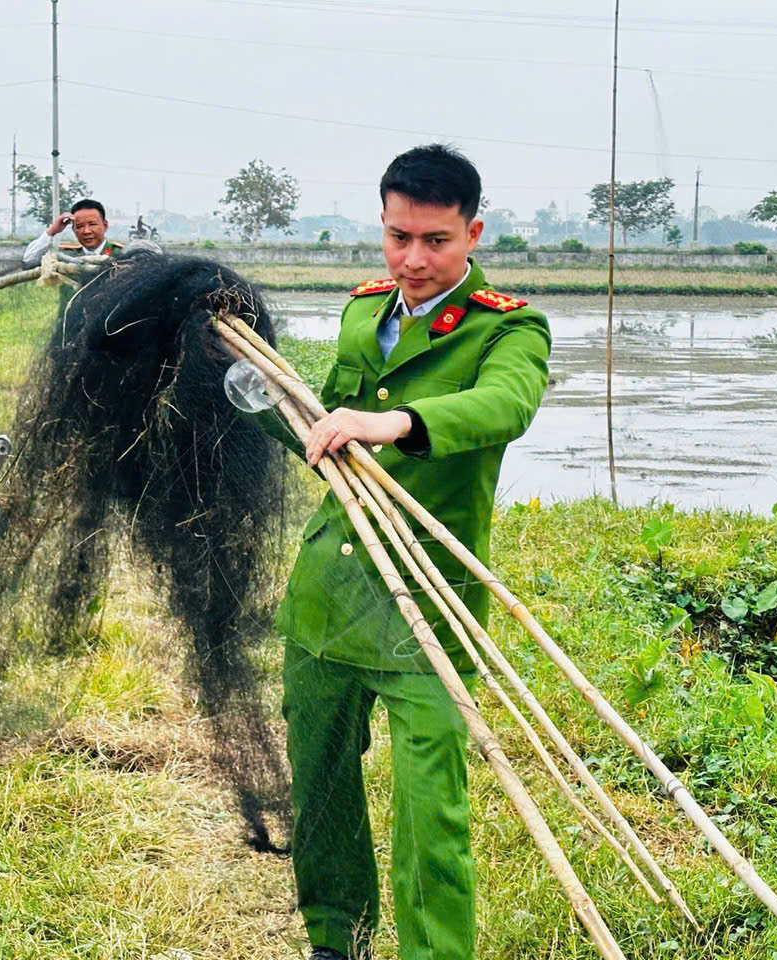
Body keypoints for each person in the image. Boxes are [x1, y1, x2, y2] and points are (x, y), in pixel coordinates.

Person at [253, 144, 551, 960]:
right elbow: (328, 430)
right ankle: (335, 938)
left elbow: (505, 405)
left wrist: (399, 423)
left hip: (428, 603)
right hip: (331, 590)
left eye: (435, 241)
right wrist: (251, 392)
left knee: (431, 809)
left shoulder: (509, 325)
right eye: (397, 237)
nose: (413, 260)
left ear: (473, 232)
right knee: (320, 785)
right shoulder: (364, 310)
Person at [21, 198, 122, 265]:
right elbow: (28, 262)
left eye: (92, 224)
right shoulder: (66, 256)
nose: (86, 231)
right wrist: (52, 231)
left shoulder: (121, 255)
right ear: (73, 230)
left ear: (105, 226)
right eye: (79, 226)